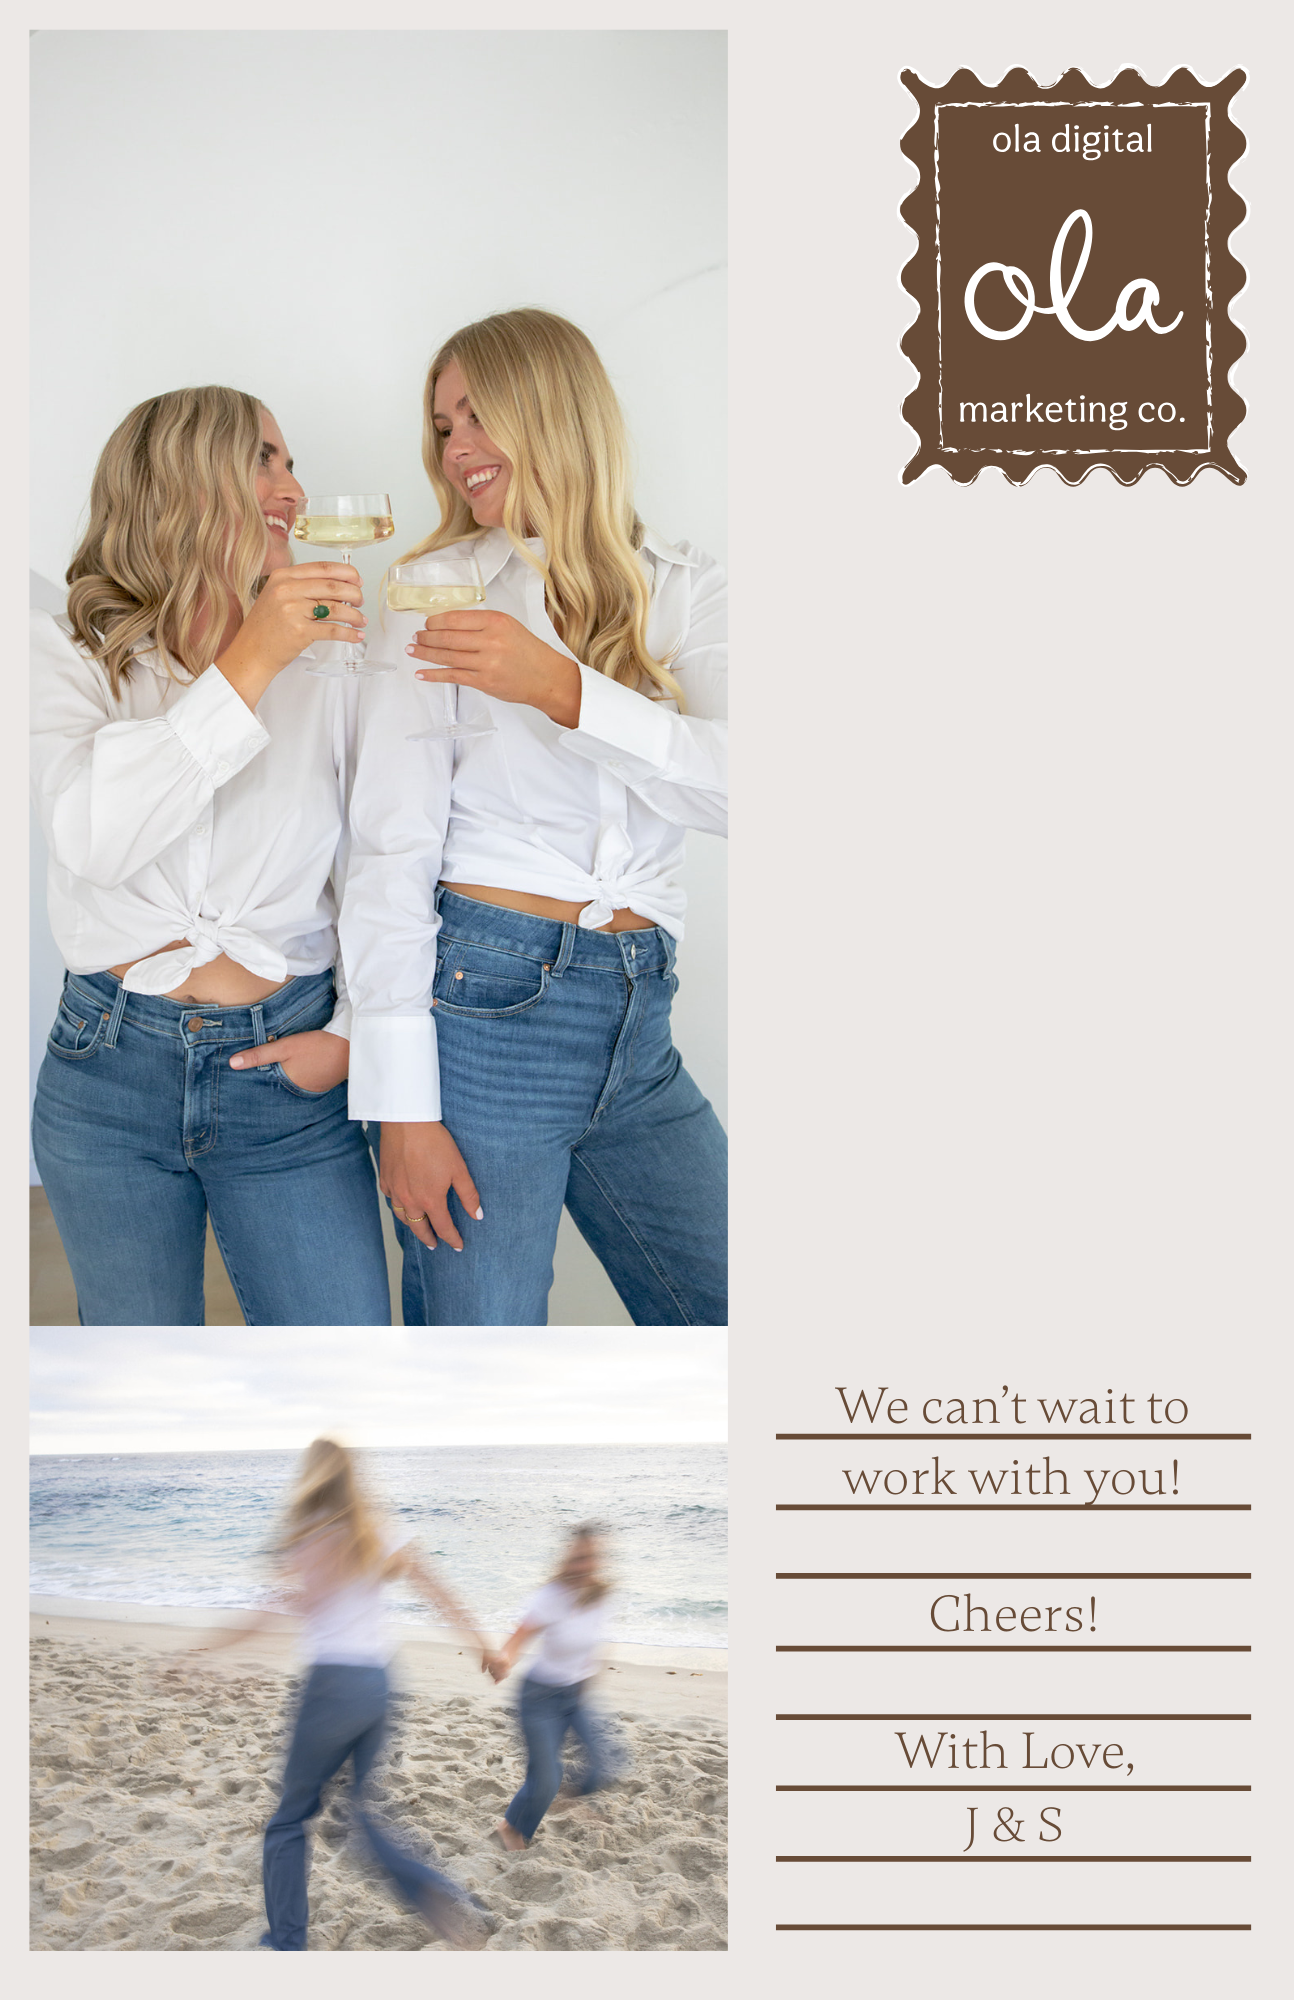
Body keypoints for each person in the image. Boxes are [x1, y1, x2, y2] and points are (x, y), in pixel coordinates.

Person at [340, 308, 728, 1326]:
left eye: (478, 415)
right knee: (482, 1364)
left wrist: (564, 690)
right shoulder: (436, 592)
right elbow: (390, 845)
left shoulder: (689, 590)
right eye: (443, 427)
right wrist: (403, 1107)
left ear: (553, 408)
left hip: (640, 1018)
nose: (456, 448)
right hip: (487, 1015)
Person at [30, 386, 390, 1325]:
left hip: (288, 1074)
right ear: (181, 480)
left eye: (292, 464)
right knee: (137, 1379)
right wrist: (254, 656)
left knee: (344, 1369)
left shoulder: (340, 654)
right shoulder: (66, 648)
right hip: (107, 1075)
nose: (294, 490)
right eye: (264, 460)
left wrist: (354, 1035)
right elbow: (93, 839)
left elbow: (381, 860)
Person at [201, 1438, 500, 1950]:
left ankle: (286, 1942)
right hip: (379, 1683)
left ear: (312, 1476)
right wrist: (484, 1647)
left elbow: (272, 1614)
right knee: (364, 1812)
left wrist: (205, 1649)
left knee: (290, 1818)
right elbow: (439, 1593)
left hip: (332, 1686)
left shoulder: (312, 1532)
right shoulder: (376, 1529)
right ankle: (437, 1892)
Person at [492, 1524, 616, 1850]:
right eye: (578, 1558)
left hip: (577, 1697)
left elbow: (594, 1646)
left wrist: (589, 1681)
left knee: (604, 1764)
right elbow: (517, 1639)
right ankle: (512, 1827)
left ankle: (556, 1796)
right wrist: (503, 1660)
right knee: (546, 1779)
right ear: (567, 1559)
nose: (584, 1565)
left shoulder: (601, 1596)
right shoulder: (550, 1597)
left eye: (591, 1557)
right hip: (540, 1699)